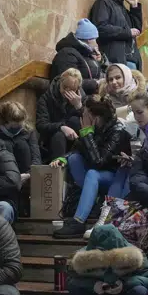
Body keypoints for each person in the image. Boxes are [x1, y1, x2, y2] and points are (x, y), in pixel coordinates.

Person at [52, 98, 133, 238]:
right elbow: (77, 149)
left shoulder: (117, 131)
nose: (82, 118)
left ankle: (79, 221)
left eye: (85, 115)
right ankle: (90, 202)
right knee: (73, 159)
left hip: (115, 177)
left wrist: (87, 134)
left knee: (92, 173)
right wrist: (63, 158)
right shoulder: (94, 129)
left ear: (95, 118)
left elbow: (99, 161)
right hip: (96, 176)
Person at [89, 0, 143, 70]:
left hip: (131, 60)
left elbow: (137, 29)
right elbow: (101, 28)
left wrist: (134, 7)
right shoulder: (103, 3)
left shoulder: (122, 8)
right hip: (115, 61)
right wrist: (127, 32)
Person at [36, 68, 85, 161]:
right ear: (60, 82)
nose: (66, 91)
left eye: (72, 89)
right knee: (59, 135)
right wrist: (61, 127)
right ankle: (58, 168)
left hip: (74, 138)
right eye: (64, 87)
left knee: (75, 120)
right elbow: (41, 124)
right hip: (53, 139)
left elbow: (90, 122)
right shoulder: (46, 98)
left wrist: (79, 107)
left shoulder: (82, 98)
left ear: (78, 89)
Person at [0, 101, 42, 177]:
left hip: (26, 175)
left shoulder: (28, 130)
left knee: (22, 145)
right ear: (5, 122)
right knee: (4, 145)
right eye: (15, 125)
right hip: (3, 175)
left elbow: (36, 156)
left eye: (20, 124)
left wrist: (29, 174)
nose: (19, 127)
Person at [50, 19, 102, 84]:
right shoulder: (67, 54)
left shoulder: (86, 54)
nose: (96, 43)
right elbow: (69, 83)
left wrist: (98, 61)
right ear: (89, 39)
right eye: (95, 39)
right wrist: (96, 84)